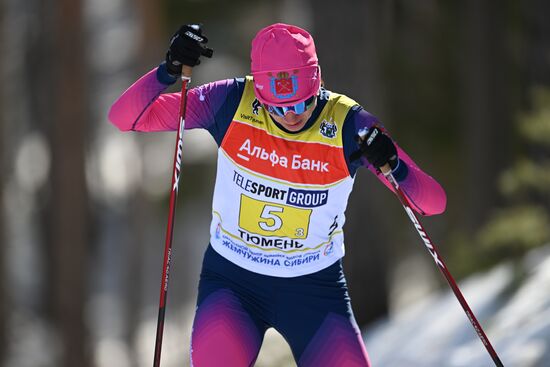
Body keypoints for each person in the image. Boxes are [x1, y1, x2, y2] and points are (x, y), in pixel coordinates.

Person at [109, 23, 446, 367]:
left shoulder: (349, 125)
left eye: (302, 103)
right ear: (259, 92)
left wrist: (395, 166)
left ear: (318, 83)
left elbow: (433, 204)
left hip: (314, 289)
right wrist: (168, 71)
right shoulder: (230, 101)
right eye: (278, 108)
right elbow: (124, 118)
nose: (292, 116)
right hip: (233, 283)